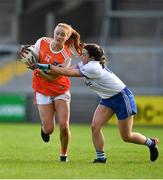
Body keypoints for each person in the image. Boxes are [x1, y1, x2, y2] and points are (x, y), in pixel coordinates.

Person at [29, 43, 159, 164]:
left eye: (84, 54)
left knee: (126, 136)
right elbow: (66, 68)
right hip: (107, 99)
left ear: (91, 57)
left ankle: (151, 143)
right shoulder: (86, 64)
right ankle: (101, 158)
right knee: (95, 127)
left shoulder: (93, 68)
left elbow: (68, 73)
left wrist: (43, 66)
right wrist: (42, 65)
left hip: (122, 98)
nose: (81, 55)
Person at [20, 23, 83, 162]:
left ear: (67, 37)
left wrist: (36, 70)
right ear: (53, 33)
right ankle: (44, 129)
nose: (59, 36)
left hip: (60, 89)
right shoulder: (42, 41)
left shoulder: (66, 55)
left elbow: (52, 77)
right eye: (57, 33)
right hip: (42, 89)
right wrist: (25, 51)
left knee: (64, 125)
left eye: (63, 34)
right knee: (49, 130)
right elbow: (32, 55)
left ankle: (63, 155)